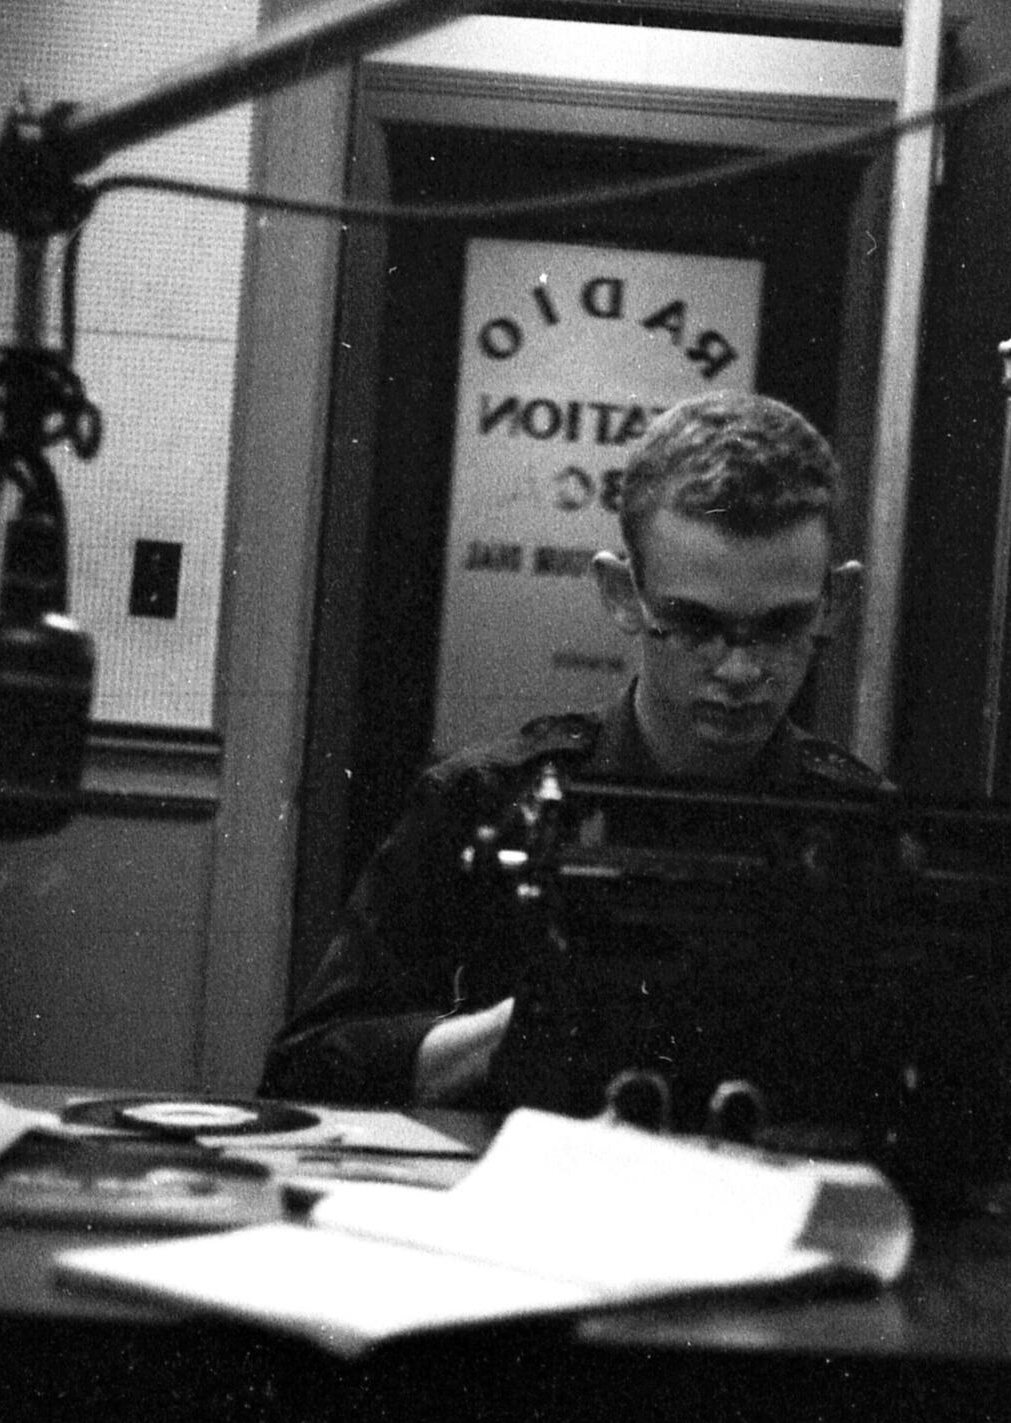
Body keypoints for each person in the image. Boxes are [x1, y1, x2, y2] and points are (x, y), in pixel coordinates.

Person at [262, 389, 883, 1110]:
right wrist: (519, 1028)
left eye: (780, 627)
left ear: (832, 605)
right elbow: (304, 1070)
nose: (739, 671)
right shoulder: (483, 799)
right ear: (622, 594)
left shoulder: (867, 830)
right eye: (691, 623)